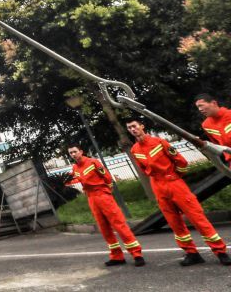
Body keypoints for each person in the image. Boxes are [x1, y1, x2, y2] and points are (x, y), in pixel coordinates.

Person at [126, 118, 230, 266]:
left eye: (134, 126)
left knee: (197, 218)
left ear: (142, 126)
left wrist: (175, 177)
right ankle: (191, 253)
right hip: (157, 185)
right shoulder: (135, 150)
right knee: (174, 222)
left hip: (174, 183)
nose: (132, 129)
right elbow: (143, 170)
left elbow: (181, 162)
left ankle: (221, 252)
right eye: (129, 128)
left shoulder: (160, 142)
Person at [65, 144, 144, 267]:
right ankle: (117, 256)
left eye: (74, 151)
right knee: (104, 228)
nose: (73, 154)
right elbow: (77, 180)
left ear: (81, 151)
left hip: (103, 195)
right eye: (70, 153)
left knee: (119, 224)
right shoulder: (75, 168)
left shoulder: (93, 162)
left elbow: (107, 178)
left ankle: (137, 254)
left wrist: (105, 193)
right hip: (91, 198)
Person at [194, 93, 231, 165]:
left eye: (201, 105)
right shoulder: (206, 125)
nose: (200, 109)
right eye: (198, 107)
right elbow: (217, 145)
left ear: (213, 103)